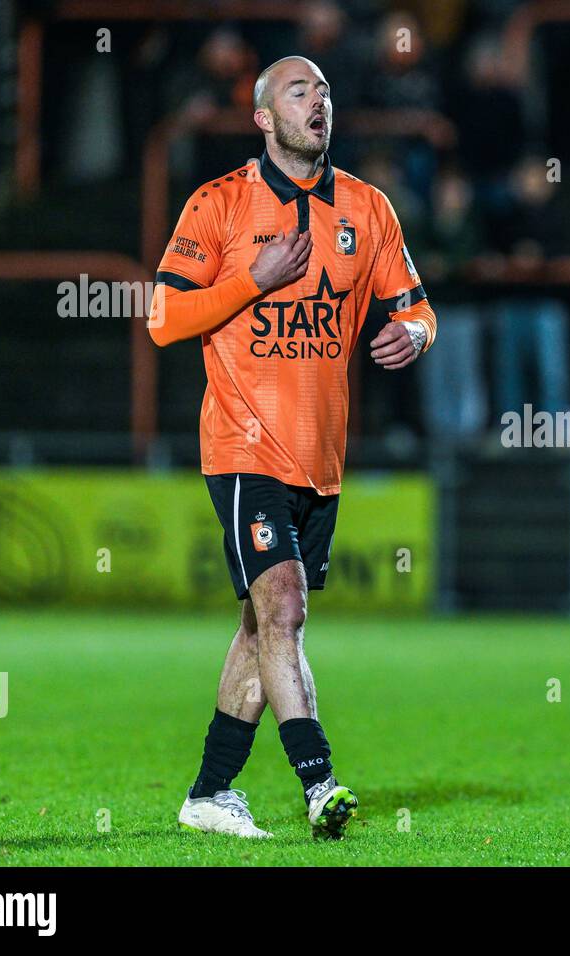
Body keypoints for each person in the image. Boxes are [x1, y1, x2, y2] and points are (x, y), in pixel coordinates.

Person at [147, 56, 436, 839]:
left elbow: (418, 309)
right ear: (265, 119)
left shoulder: (368, 208)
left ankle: (209, 793)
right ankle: (320, 782)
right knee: (284, 606)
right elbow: (164, 319)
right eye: (300, 92)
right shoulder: (219, 204)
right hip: (242, 445)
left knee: (259, 629)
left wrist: (411, 334)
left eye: (326, 91)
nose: (320, 102)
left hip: (321, 456)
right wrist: (252, 280)